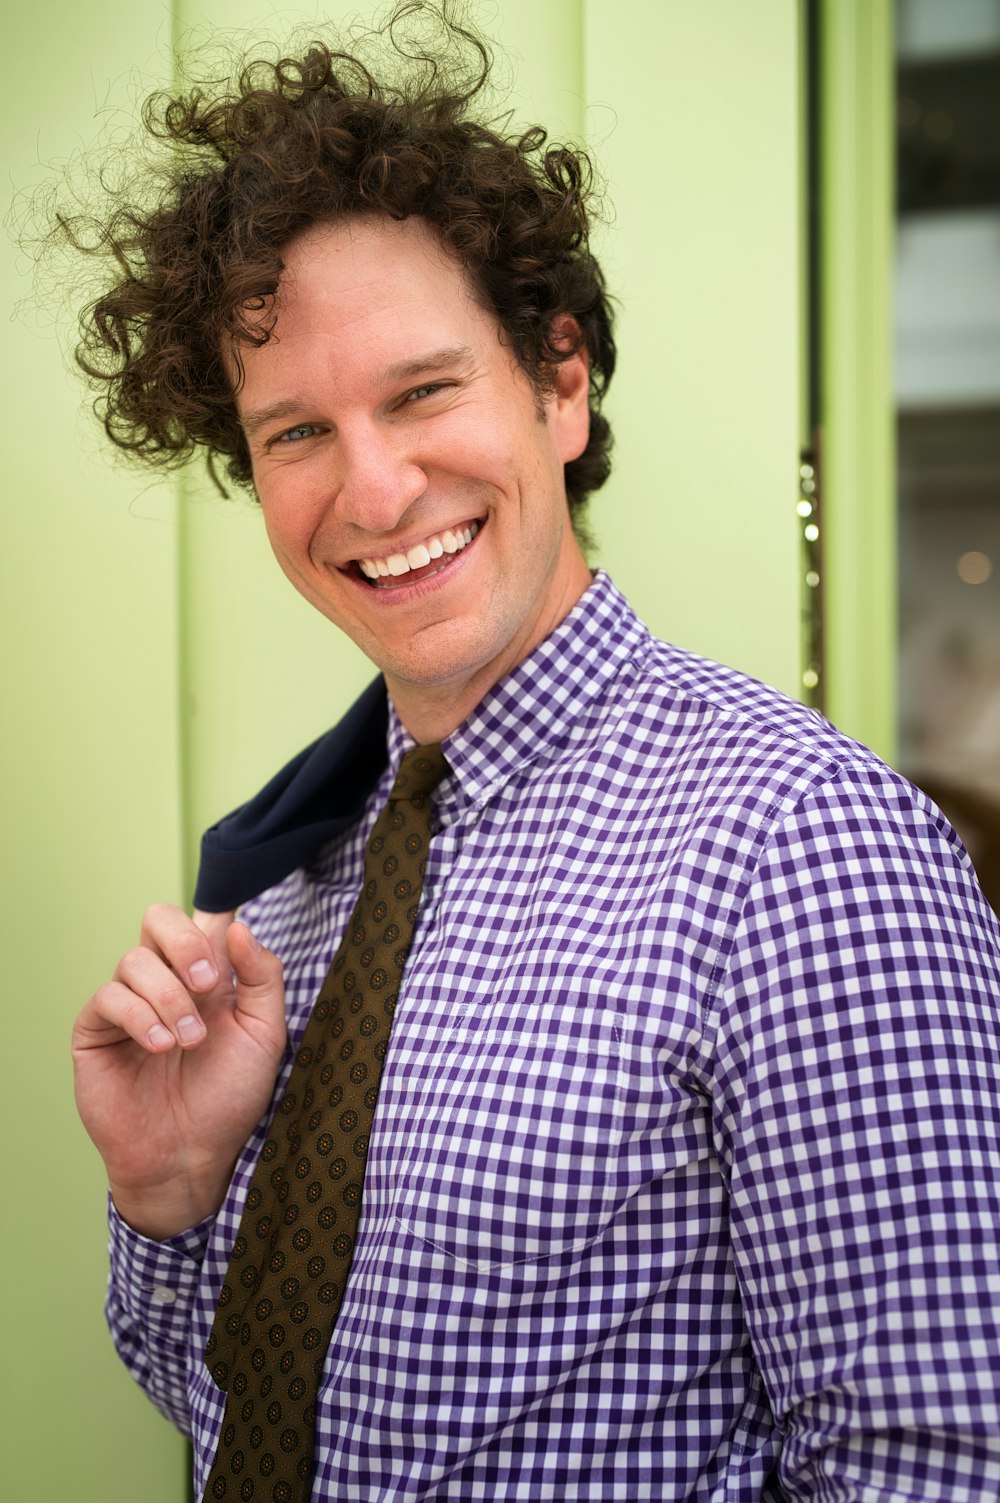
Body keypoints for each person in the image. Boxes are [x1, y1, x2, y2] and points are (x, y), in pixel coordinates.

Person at [70, 12, 1000, 1502]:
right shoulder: (292, 886)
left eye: (424, 392)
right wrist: (169, 1198)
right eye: (298, 431)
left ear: (559, 382)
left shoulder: (806, 848)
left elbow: (937, 1466)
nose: (374, 491)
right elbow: (241, 1417)